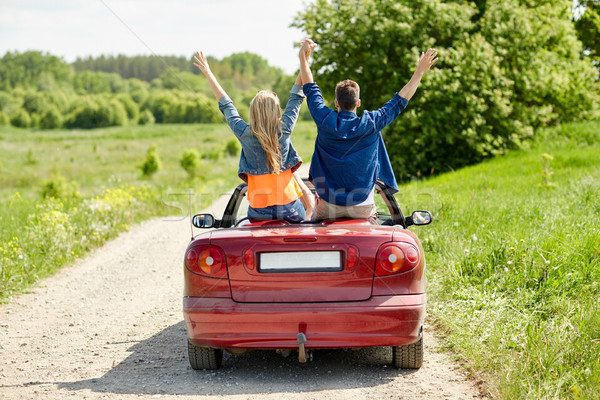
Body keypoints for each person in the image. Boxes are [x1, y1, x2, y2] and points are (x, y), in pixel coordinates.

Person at [298, 39, 438, 221]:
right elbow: (401, 100)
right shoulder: (372, 123)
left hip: (328, 206)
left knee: (312, 219)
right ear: (358, 103)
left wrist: (303, 58)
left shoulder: (324, 118)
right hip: (362, 207)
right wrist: (420, 71)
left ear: (336, 103)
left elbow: (310, 87)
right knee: (377, 221)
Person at [194, 50, 315, 222]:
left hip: (259, 211)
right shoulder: (285, 128)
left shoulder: (244, 133)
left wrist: (208, 72)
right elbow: (297, 95)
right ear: (275, 111)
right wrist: (304, 59)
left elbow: (226, 105)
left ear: (253, 111)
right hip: (290, 208)